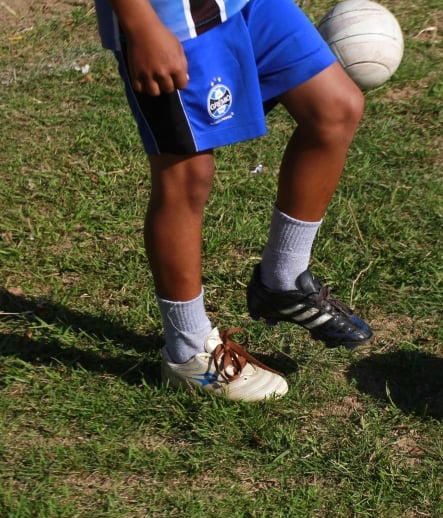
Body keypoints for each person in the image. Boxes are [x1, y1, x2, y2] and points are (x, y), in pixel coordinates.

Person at [94, 0, 373, 401]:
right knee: (186, 176)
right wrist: (141, 24)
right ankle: (187, 350)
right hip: (172, 19)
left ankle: (283, 281)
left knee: (334, 107)